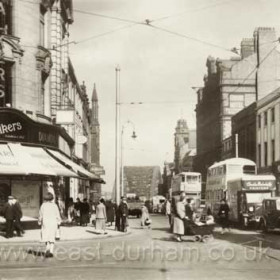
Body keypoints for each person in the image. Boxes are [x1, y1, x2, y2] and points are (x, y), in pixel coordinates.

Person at [38, 192, 61, 258]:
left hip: (46, 223)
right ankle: (51, 251)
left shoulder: (43, 205)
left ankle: (47, 248)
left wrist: (39, 221)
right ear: (51, 198)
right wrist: (59, 222)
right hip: (53, 223)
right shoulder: (54, 205)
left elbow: (40, 215)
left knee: (46, 236)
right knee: (52, 237)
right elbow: (57, 215)